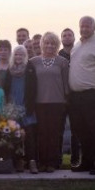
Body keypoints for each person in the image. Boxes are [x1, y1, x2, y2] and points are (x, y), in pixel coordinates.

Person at [68, 16, 95, 175]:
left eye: (87, 26)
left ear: (94, 27)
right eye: (82, 26)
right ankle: (86, 162)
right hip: (76, 97)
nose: (84, 29)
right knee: (81, 131)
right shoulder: (78, 45)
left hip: (92, 95)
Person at [29, 32, 69, 172]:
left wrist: (66, 100)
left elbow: (66, 84)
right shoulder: (33, 62)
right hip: (38, 103)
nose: (50, 46)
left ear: (57, 45)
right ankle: (42, 162)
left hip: (57, 103)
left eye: (53, 43)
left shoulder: (63, 62)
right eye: (47, 43)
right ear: (42, 44)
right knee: (40, 134)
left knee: (54, 133)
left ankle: (53, 162)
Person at [4, 45, 38, 173]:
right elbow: (6, 88)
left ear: (25, 56)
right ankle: (18, 161)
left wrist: (30, 105)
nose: (18, 57)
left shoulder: (30, 68)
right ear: (13, 56)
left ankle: (32, 161)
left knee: (29, 135)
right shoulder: (10, 69)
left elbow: (34, 88)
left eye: (21, 55)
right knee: (15, 134)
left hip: (26, 105)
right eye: (16, 54)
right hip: (13, 106)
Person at [59, 27, 79, 166]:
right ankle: (57, 159)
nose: (67, 37)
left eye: (69, 35)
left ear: (74, 37)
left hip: (76, 96)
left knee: (76, 130)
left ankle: (75, 159)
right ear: (61, 39)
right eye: (64, 35)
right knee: (59, 129)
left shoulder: (79, 52)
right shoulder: (57, 55)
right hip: (60, 97)